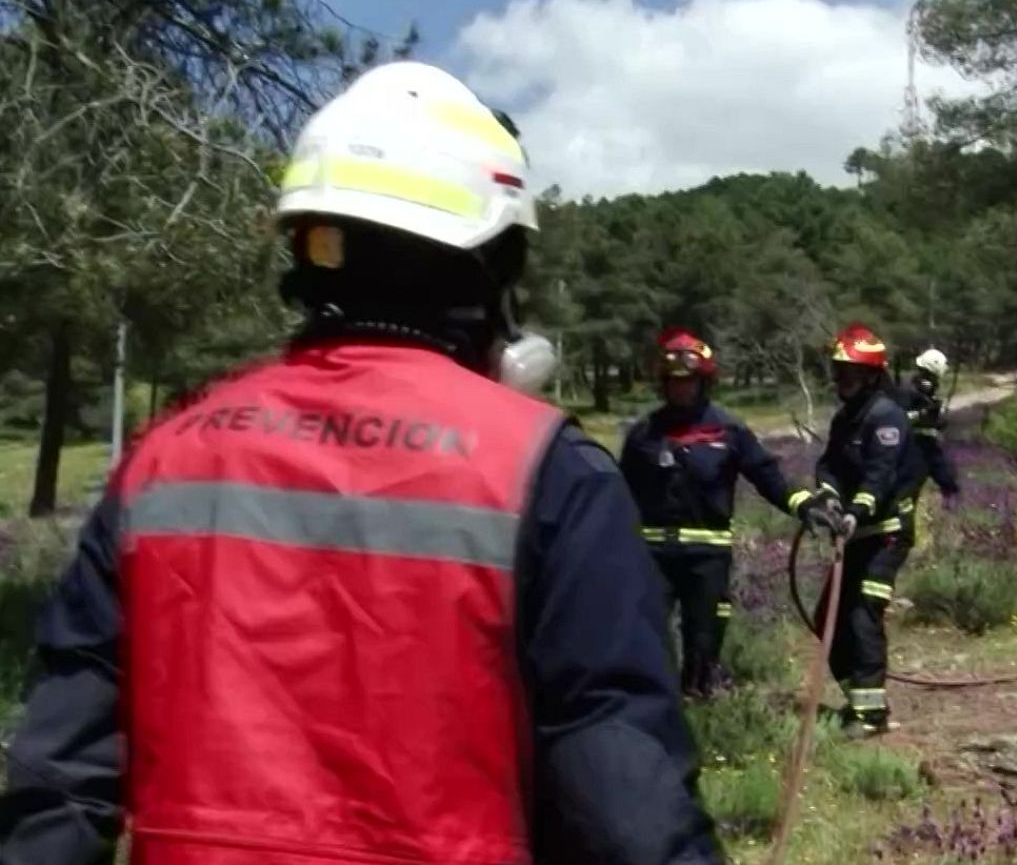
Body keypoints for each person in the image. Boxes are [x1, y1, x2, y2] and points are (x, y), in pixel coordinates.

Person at [0, 62, 720, 865]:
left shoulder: (165, 459)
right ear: (494, 265)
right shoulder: (549, 470)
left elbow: (56, 785)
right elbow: (620, 799)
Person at [620, 327, 828, 699]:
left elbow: (767, 476)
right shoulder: (643, 435)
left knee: (704, 636)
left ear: (704, 383)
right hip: (653, 557)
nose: (681, 389)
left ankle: (699, 706)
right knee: (650, 634)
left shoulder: (728, 429)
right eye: (674, 382)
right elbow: (620, 492)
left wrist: (803, 505)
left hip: (708, 558)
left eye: (690, 382)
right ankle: (656, 707)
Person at [812, 324, 922, 739]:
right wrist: (828, 496)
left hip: (887, 533)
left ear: (873, 376)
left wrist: (857, 509)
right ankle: (861, 698)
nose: (842, 380)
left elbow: (881, 473)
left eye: (850, 373)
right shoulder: (846, 418)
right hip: (856, 532)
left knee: (863, 613)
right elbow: (828, 465)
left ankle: (871, 717)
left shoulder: (886, 417)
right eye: (838, 372)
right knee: (828, 618)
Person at [892, 347, 960, 511]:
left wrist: (937, 419)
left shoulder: (928, 395)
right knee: (905, 496)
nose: (932, 383)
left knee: (946, 473)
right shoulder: (907, 392)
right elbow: (897, 419)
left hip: (927, 447)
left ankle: (950, 496)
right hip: (910, 449)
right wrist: (921, 415)